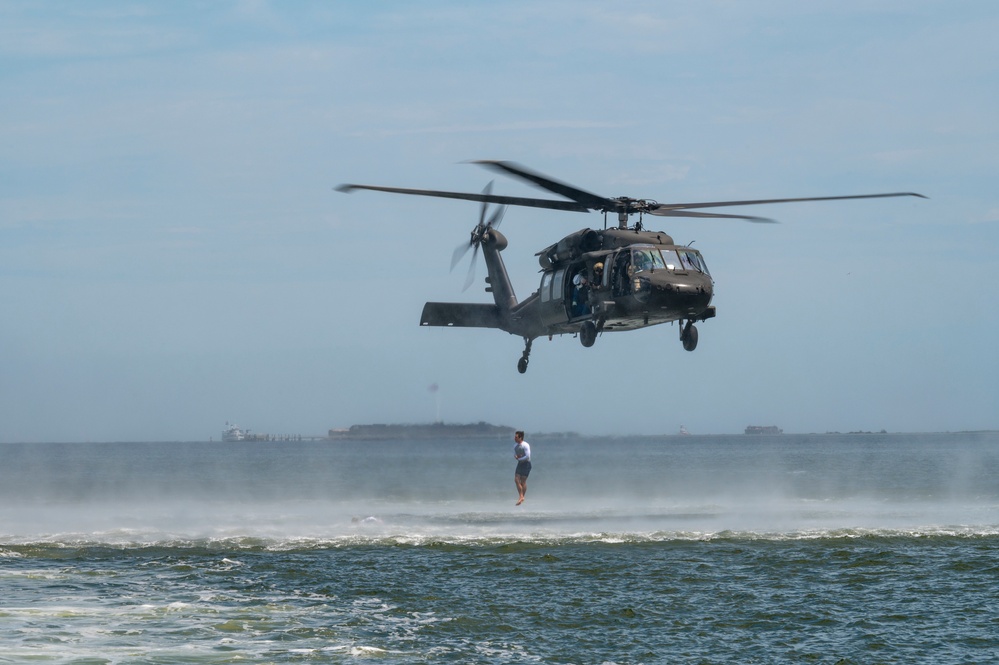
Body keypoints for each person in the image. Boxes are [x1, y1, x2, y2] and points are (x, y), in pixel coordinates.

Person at [513, 430, 532, 505]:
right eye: (515, 437)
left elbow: (527, 456)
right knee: (516, 480)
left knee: (523, 482)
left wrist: (519, 458)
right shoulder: (515, 446)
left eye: (516, 437)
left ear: (520, 438)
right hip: (520, 464)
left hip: (526, 464)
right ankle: (521, 496)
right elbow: (515, 454)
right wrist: (516, 457)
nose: (515, 438)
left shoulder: (525, 445)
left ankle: (522, 497)